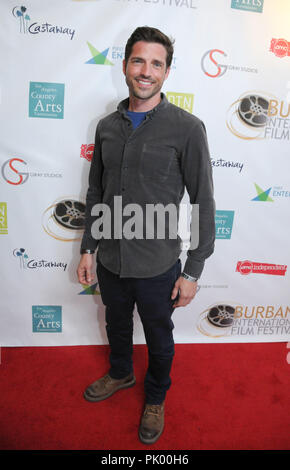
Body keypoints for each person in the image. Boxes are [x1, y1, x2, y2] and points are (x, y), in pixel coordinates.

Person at [77, 26, 215, 445]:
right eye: (139, 60)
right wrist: (89, 248)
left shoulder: (187, 128)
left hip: (158, 264)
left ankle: (155, 397)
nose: (146, 71)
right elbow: (97, 190)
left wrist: (192, 270)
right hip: (111, 260)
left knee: (159, 336)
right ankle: (121, 373)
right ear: (124, 66)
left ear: (167, 72)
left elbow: (203, 201)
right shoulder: (105, 127)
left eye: (156, 63)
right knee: (116, 324)